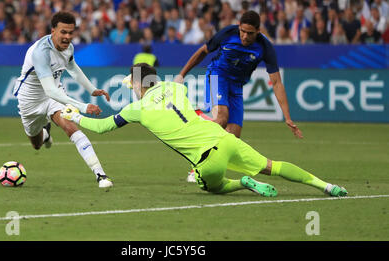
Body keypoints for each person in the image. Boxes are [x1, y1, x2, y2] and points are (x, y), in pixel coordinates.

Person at [60, 63, 348, 198]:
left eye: (132, 86)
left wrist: (76, 115)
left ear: (138, 85)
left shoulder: (137, 109)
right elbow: (193, 112)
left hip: (207, 158)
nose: (132, 91)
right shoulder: (177, 87)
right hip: (224, 138)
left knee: (212, 186)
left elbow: (102, 127)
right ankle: (327, 186)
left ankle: (244, 183)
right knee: (272, 165)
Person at [174, 10, 303, 182]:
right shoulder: (228, 33)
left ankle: (202, 124)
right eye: (242, 31)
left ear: (258, 31)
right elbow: (203, 52)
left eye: (249, 33)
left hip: (236, 87)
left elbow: (277, 83)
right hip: (216, 76)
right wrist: (181, 75)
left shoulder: (265, 47)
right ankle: (196, 167)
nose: (244, 36)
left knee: (232, 137)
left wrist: (287, 117)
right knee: (221, 118)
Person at [13, 11, 113, 188]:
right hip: (30, 99)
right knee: (36, 144)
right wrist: (82, 106)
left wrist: (92, 90)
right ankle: (45, 134)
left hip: (55, 96)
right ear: (53, 31)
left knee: (70, 127)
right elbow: (49, 90)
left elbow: (73, 69)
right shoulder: (40, 53)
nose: (67, 37)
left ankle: (101, 175)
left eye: (70, 32)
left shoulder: (69, 48)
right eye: (63, 32)